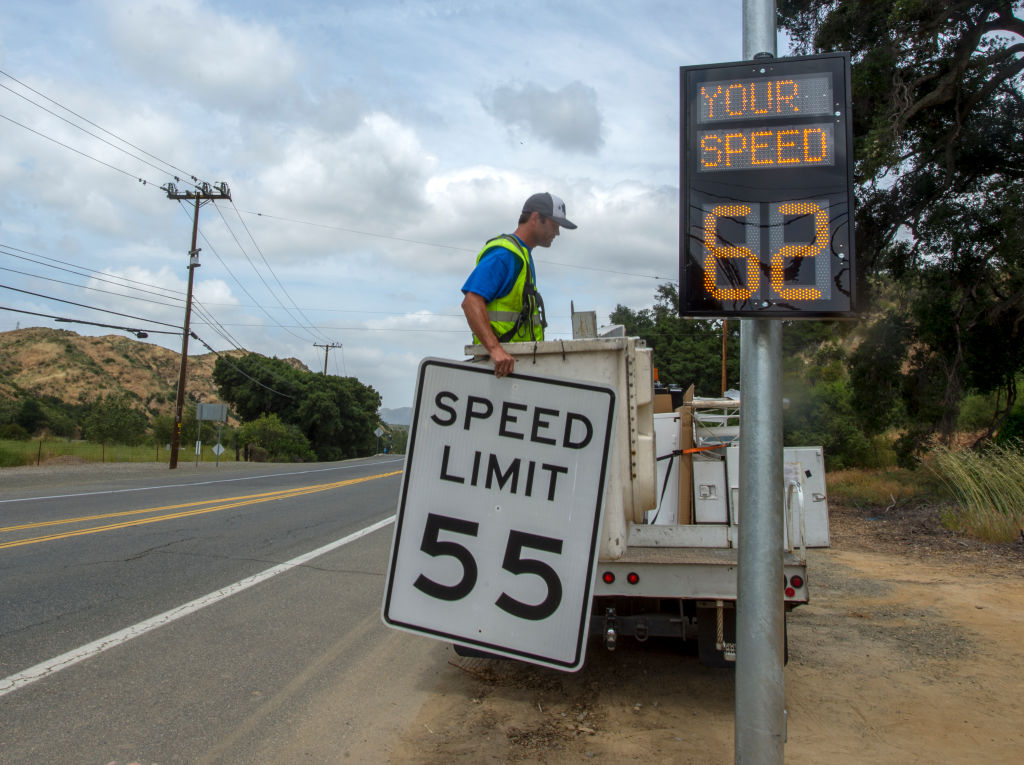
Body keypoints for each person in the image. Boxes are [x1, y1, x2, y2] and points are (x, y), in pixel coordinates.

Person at [461, 192, 577, 377]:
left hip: (513, 368)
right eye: (554, 225)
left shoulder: (522, 254)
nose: (557, 232)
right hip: (497, 369)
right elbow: (471, 301)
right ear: (535, 218)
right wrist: (495, 349)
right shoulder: (506, 254)